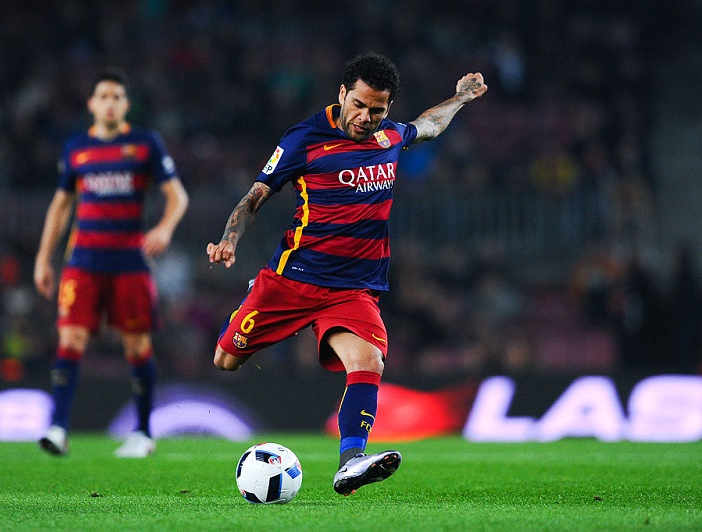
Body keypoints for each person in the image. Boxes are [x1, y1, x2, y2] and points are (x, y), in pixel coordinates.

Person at [207, 53, 486, 494]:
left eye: (377, 109)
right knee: (226, 360)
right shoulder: (304, 139)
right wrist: (229, 239)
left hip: (352, 289)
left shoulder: (390, 135)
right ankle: (250, 296)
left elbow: (429, 124)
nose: (365, 117)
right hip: (293, 279)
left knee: (369, 361)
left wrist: (461, 98)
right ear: (342, 94)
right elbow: (255, 196)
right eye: (358, 105)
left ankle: (351, 461)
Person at [34, 68, 189, 457]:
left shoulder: (144, 144)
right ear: (91, 104)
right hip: (83, 261)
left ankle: (143, 433)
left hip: (129, 263)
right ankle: (58, 428)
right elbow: (60, 206)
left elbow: (178, 196)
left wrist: (165, 228)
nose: (110, 103)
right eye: (103, 96)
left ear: (126, 104)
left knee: (136, 345)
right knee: (70, 338)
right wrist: (43, 259)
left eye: (117, 97)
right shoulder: (76, 149)